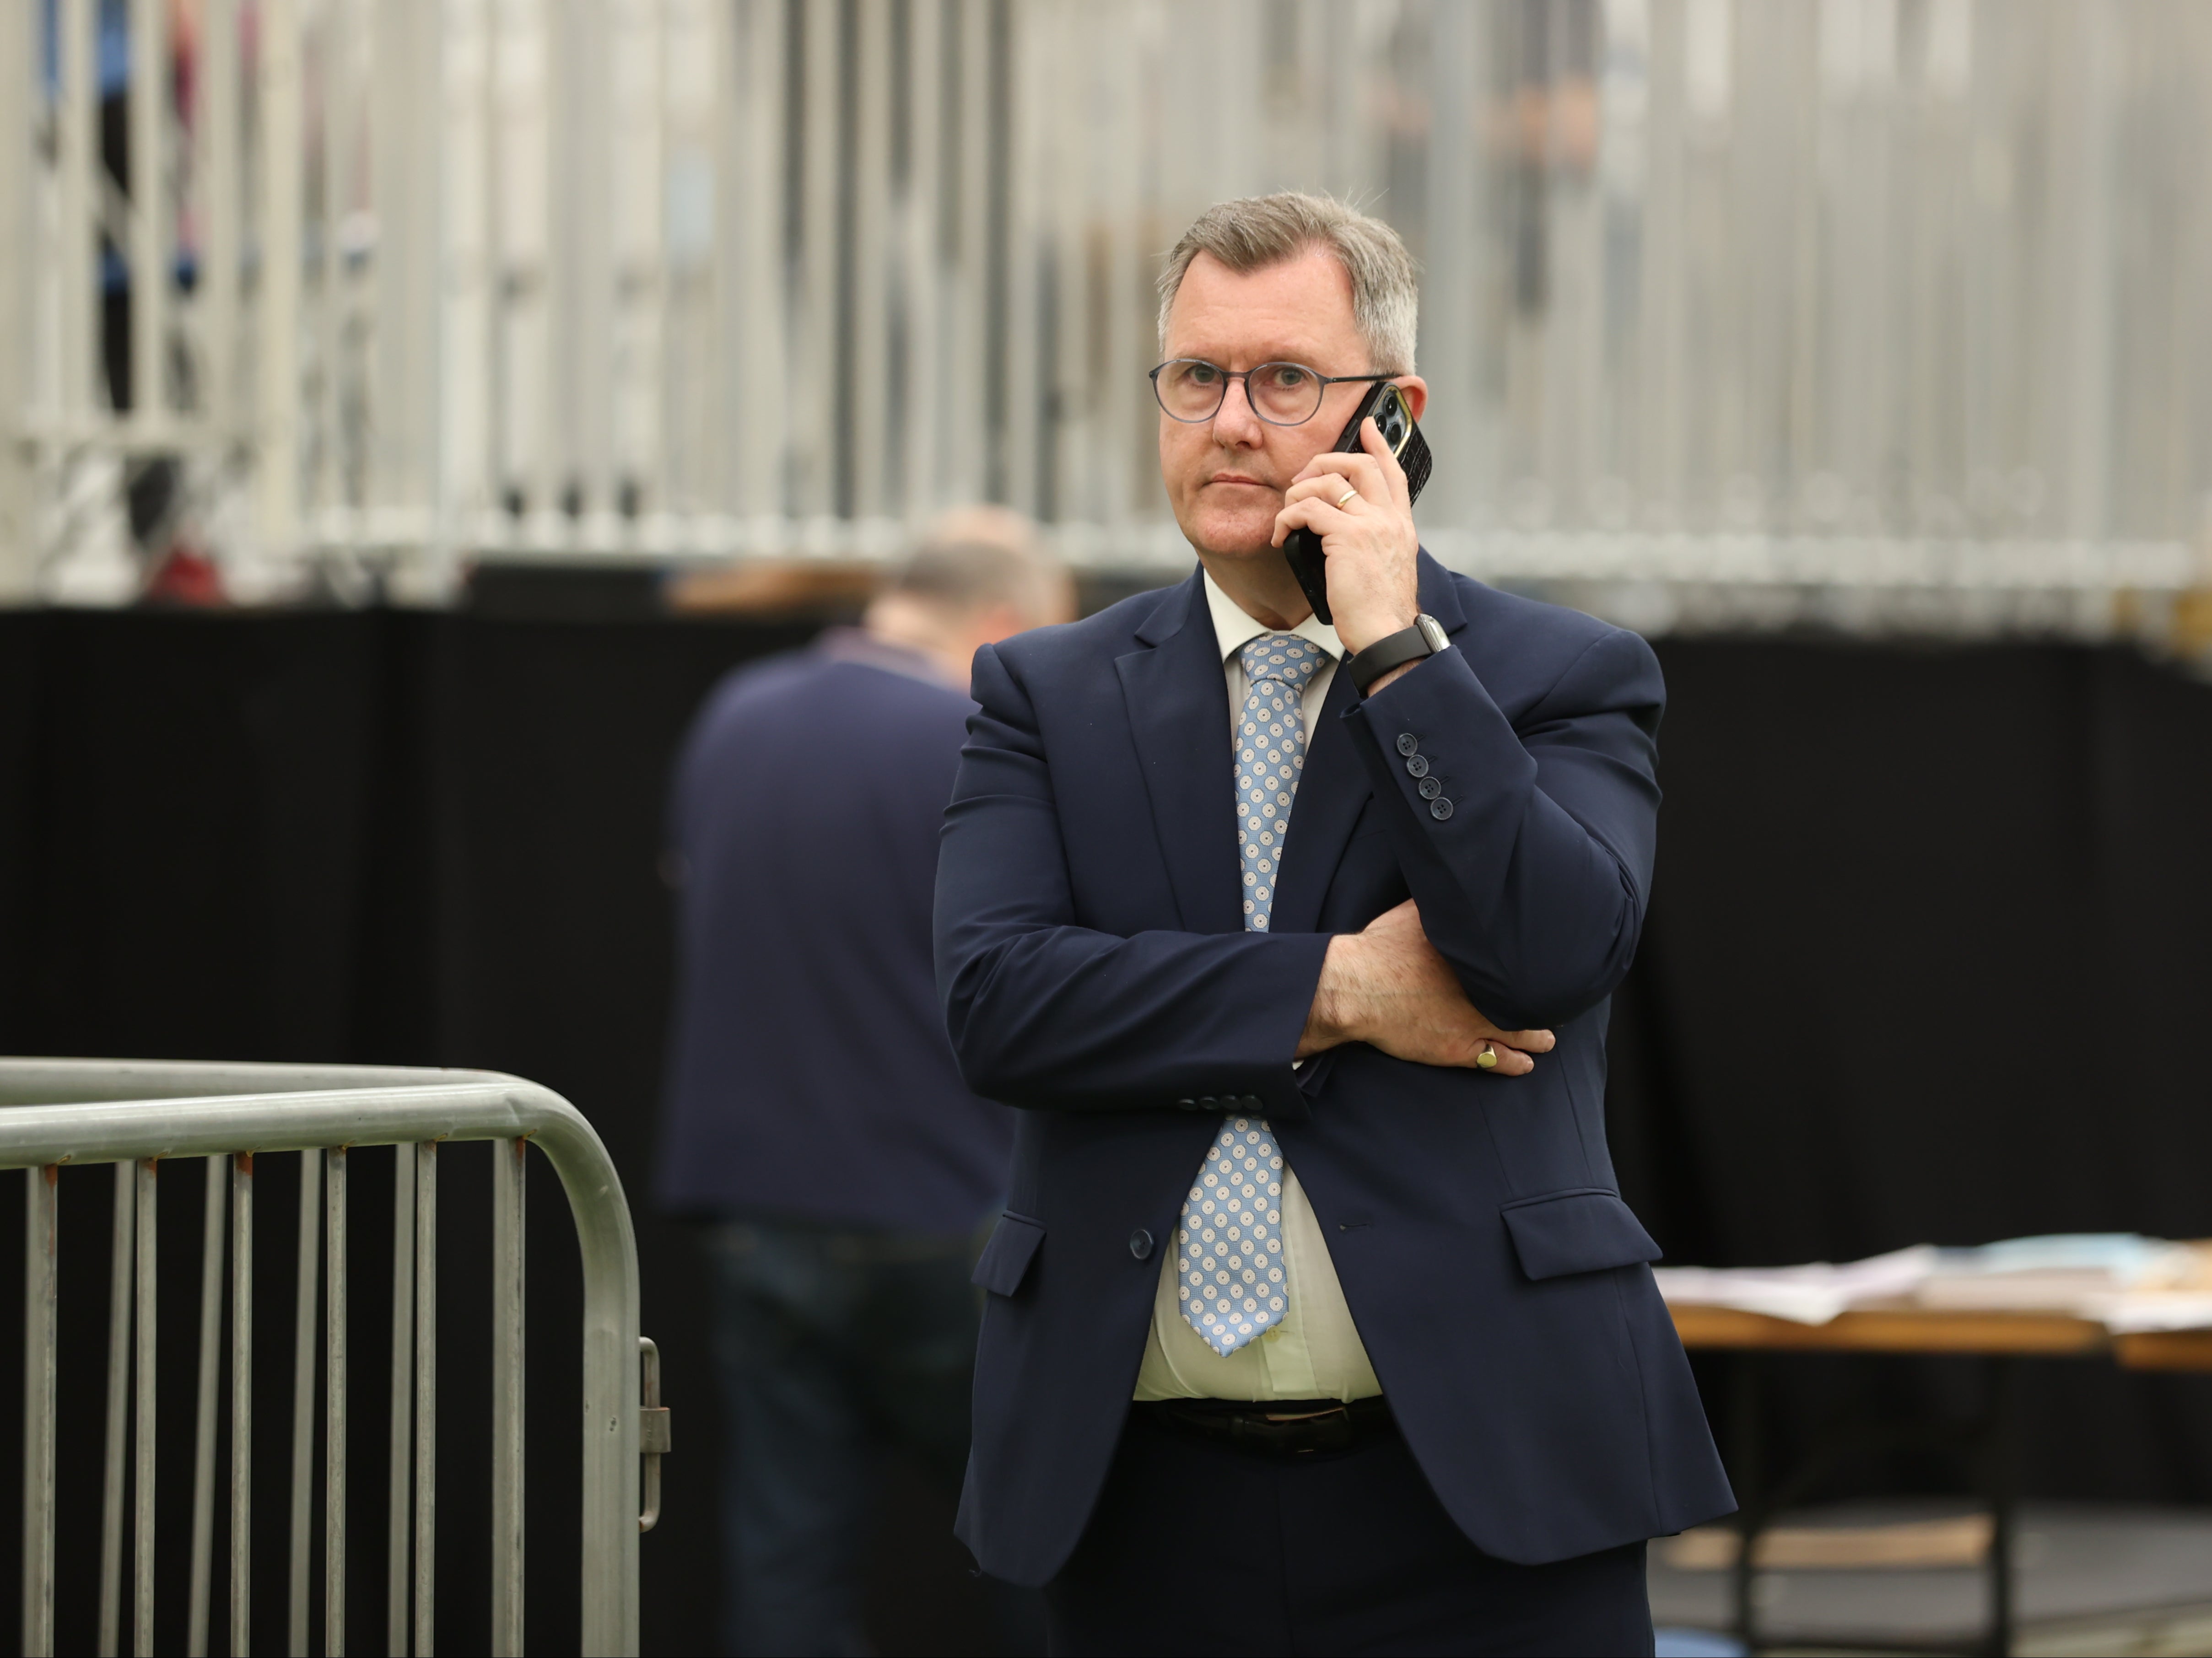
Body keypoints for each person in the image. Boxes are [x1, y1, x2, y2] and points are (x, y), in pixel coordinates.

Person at [934, 194, 1733, 1655]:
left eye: (1285, 380)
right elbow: (1002, 1003)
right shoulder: (1044, 693)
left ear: (1396, 419)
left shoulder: (1562, 674)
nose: (1231, 422)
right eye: (1196, 377)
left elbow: (1548, 955)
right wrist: (1346, 990)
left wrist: (1393, 650)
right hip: (1137, 1505)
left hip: (1485, 1492)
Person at [658, 511, 1072, 1656]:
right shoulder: (976, 742)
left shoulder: (734, 715)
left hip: (759, 1216)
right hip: (949, 1211)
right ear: (1001, 626)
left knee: (786, 1572)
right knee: (1050, 1552)